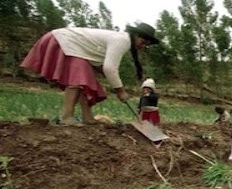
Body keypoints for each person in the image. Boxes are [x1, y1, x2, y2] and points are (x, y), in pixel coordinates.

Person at [20, 22, 160, 125]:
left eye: (146, 44)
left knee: (85, 82)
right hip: (65, 41)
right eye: (142, 41)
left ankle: (87, 118)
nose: (143, 46)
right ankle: (67, 117)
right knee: (77, 81)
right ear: (135, 35)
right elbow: (110, 68)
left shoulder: (121, 40)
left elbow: (102, 65)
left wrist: (110, 77)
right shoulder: (122, 40)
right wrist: (120, 91)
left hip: (76, 47)